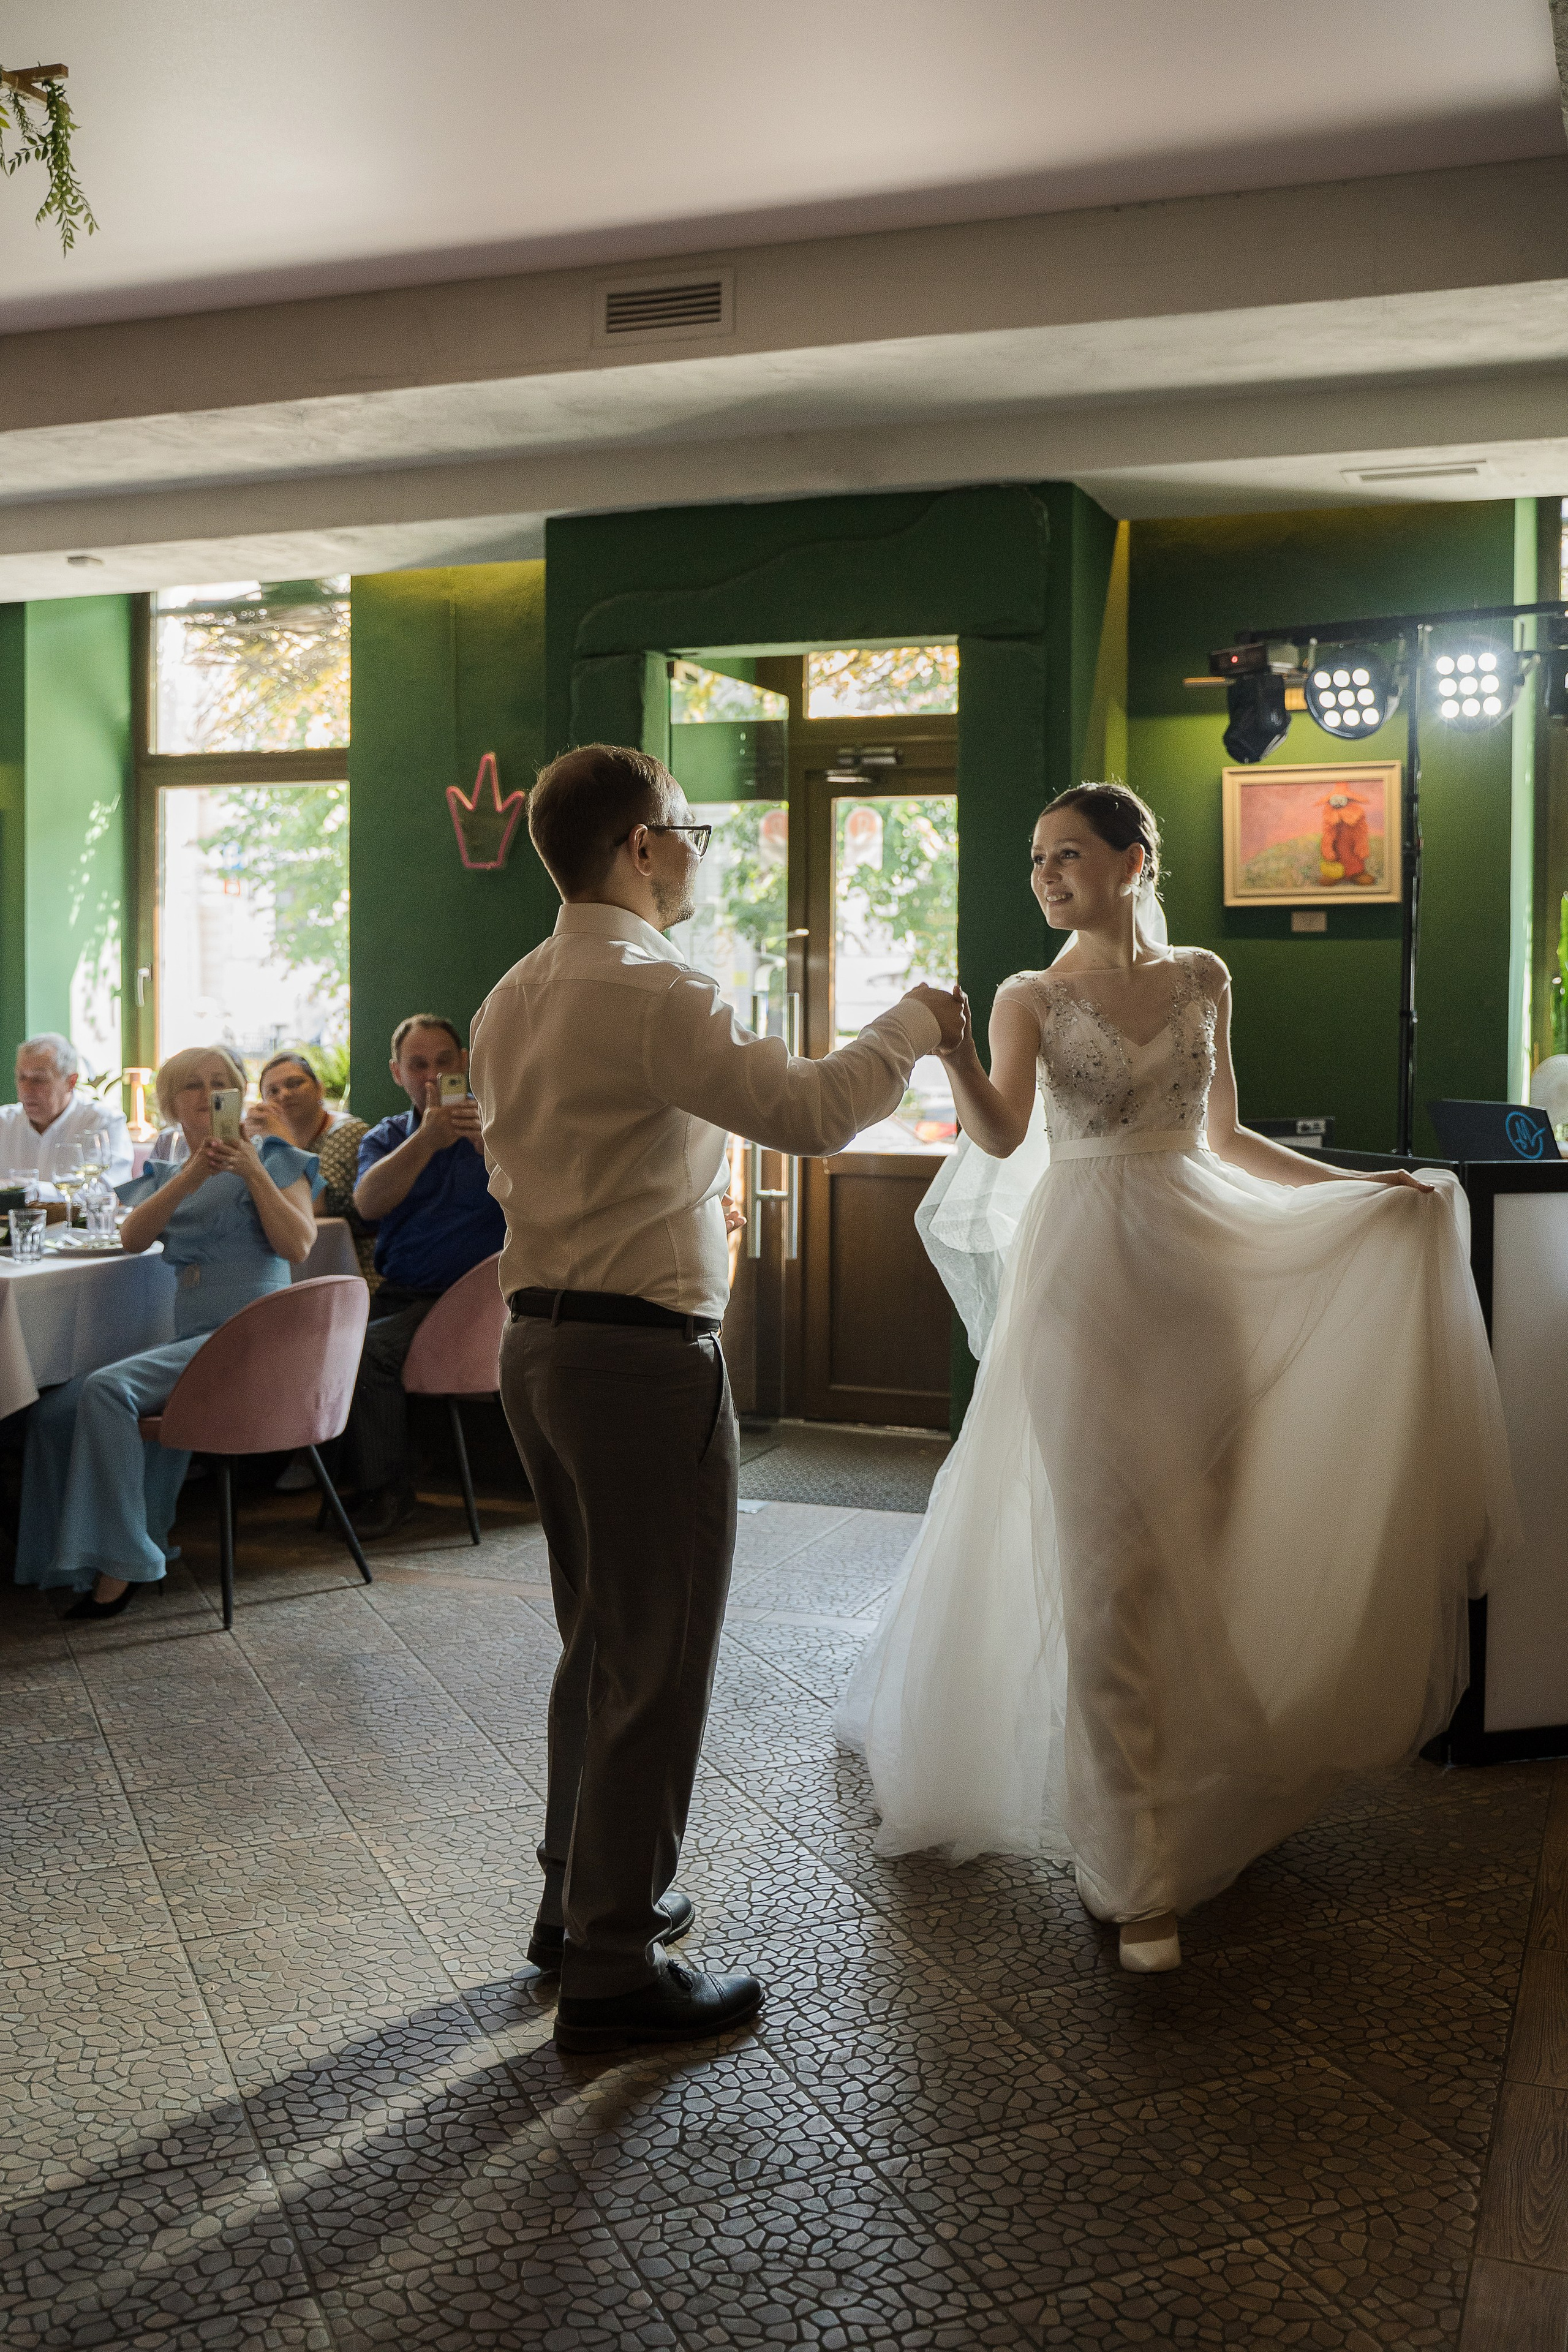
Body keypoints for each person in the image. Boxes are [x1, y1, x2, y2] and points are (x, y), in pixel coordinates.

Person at [838, 783, 1518, 1973]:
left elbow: (1225, 1138)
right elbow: (1000, 1136)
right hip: (1083, 1285)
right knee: (1111, 1570)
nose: (1045, 874)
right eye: (1034, 858)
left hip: (1197, 1284)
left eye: (1067, 853)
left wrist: (1362, 1191)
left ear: (1132, 858)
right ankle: (1128, 1868)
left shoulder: (1203, 976)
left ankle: (1208, 1790)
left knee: (1203, 1545)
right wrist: (949, 1051)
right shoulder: (1028, 995)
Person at [470, 742, 964, 2054]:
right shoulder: (649, 985)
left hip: (535, 1346)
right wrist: (911, 1021)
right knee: (659, 1654)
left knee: (600, 1639)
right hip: (637, 1359)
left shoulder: (511, 992)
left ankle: (574, 1900)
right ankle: (615, 1969)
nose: (696, 849)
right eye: (686, 829)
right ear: (639, 845)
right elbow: (808, 1111)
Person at [14, 1046, 319, 1620]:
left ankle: (125, 1563)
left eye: (220, 1082)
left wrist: (251, 1168)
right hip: (196, 1335)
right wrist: (191, 1174)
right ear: (171, 1103)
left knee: (108, 1391)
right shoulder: (168, 1171)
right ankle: (65, 1558)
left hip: (254, 1331)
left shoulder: (277, 1156)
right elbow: (133, 1237)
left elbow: (298, 1246)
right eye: (193, 1086)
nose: (208, 1094)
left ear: (238, 1091)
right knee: (56, 1410)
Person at [340, 1016, 506, 1536]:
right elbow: (367, 1204)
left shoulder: (502, 1125)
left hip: (481, 1304)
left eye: (443, 1062)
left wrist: (491, 1151)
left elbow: (544, 1200)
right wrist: (427, 1141)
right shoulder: (387, 1136)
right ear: (397, 1073)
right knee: (330, 1349)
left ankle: (386, 1492)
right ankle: (377, 1471)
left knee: (367, 1354)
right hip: (406, 1298)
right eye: (418, 1064)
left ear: (464, 1063)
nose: (432, 1076)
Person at [248, 1050, 374, 1283]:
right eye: (272, 1091)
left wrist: (283, 1138)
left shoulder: (347, 1132)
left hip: (357, 1273)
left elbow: (315, 1205)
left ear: (320, 1088)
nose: (284, 1095)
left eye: (295, 1084)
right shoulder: (267, 1144)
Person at [0, 1033, 133, 1188]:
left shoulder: (104, 1122)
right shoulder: (4, 1122)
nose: (26, 1090)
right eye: (22, 1078)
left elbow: (108, 1188)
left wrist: (27, 1190)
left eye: (39, 1080)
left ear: (71, 1082)